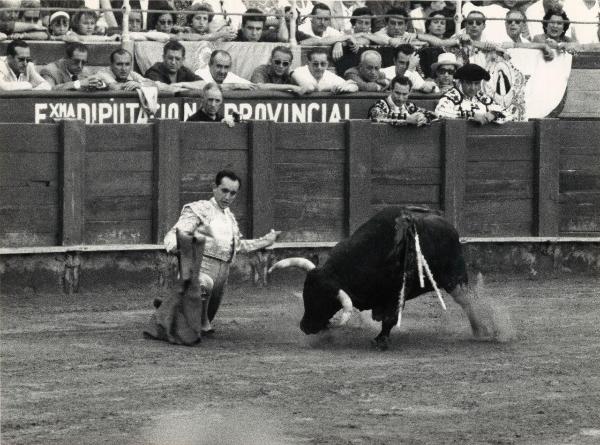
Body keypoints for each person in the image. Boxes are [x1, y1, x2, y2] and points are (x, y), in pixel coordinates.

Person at [144, 169, 280, 344]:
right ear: (214, 188)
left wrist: (265, 241)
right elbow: (173, 235)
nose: (228, 197)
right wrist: (180, 246)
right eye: (224, 191)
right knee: (203, 292)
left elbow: (238, 246)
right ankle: (177, 309)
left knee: (202, 317)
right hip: (198, 271)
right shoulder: (199, 209)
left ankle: (172, 307)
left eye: (233, 193)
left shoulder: (229, 218)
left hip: (222, 278)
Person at [435, 63, 510, 124]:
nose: (473, 88)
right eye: (468, 83)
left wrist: (494, 114)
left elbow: (509, 114)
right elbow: (440, 113)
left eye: (477, 83)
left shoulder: (483, 98)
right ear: (461, 82)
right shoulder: (451, 96)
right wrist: (471, 115)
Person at [368, 75, 436, 126]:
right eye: (397, 93)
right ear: (391, 90)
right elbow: (377, 117)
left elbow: (434, 116)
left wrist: (423, 118)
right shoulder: (381, 104)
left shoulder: (410, 106)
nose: (400, 98)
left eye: (404, 94)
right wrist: (407, 119)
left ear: (409, 93)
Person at [291, 47, 359, 94]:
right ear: (308, 63)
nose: (319, 67)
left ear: (327, 64)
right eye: (315, 64)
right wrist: (331, 87)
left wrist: (344, 88)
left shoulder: (329, 75)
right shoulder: (299, 72)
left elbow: (354, 87)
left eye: (323, 64)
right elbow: (311, 88)